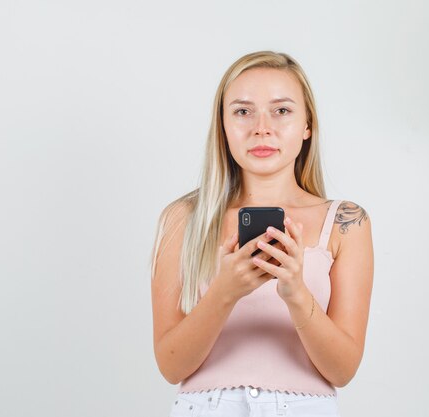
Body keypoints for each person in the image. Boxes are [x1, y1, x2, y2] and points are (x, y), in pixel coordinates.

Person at [149, 50, 374, 417]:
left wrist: (296, 294)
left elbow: (343, 369)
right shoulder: (182, 219)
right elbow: (171, 366)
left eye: (281, 110)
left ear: (307, 125)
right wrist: (224, 292)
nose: (261, 128)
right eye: (242, 111)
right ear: (222, 125)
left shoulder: (346, 223)